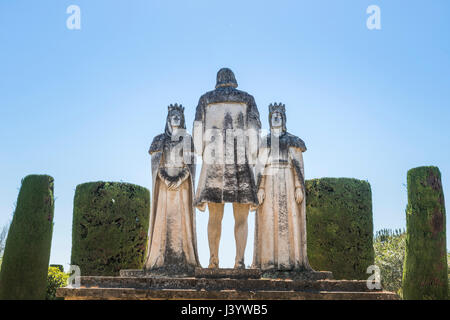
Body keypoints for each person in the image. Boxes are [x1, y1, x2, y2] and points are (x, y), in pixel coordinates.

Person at [193, 68, 261, 269]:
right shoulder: (247, 99)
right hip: (240, 163)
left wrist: (203, 152)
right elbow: (254, 134)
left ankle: (213, 260)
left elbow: (198, 136)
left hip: (213, 163)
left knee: (215, 217)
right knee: (241, 217)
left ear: (218, 81)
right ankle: (239, 262)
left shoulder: (205, 100)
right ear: (234, 80)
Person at [251, 103, 313, 271]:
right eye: (273, 115)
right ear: (270, 119)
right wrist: (260, 188)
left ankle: (290, 261)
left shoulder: (293, 141)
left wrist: (299, 187)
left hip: (288, 180)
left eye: (279, 114)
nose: (276, 117)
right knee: (268, 221)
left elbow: (297, 167)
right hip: (269, 182)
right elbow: (260, 168)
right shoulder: (265, 142)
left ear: (284, 118)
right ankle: (268, 262)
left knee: (289, 221)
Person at [144, 104, 200, 273]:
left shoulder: (187, 140)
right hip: (164, 187)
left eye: (178, 116)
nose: (176, 118)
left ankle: (183, 259)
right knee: (162, 219)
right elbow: (156, 166)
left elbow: (190, 166)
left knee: (182, 222)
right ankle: (159, 259)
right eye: (173, 116)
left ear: (182, 119)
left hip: (182, 188)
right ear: (168, 119)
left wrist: (180, 179)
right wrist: (167, 179)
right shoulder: (159, 140)